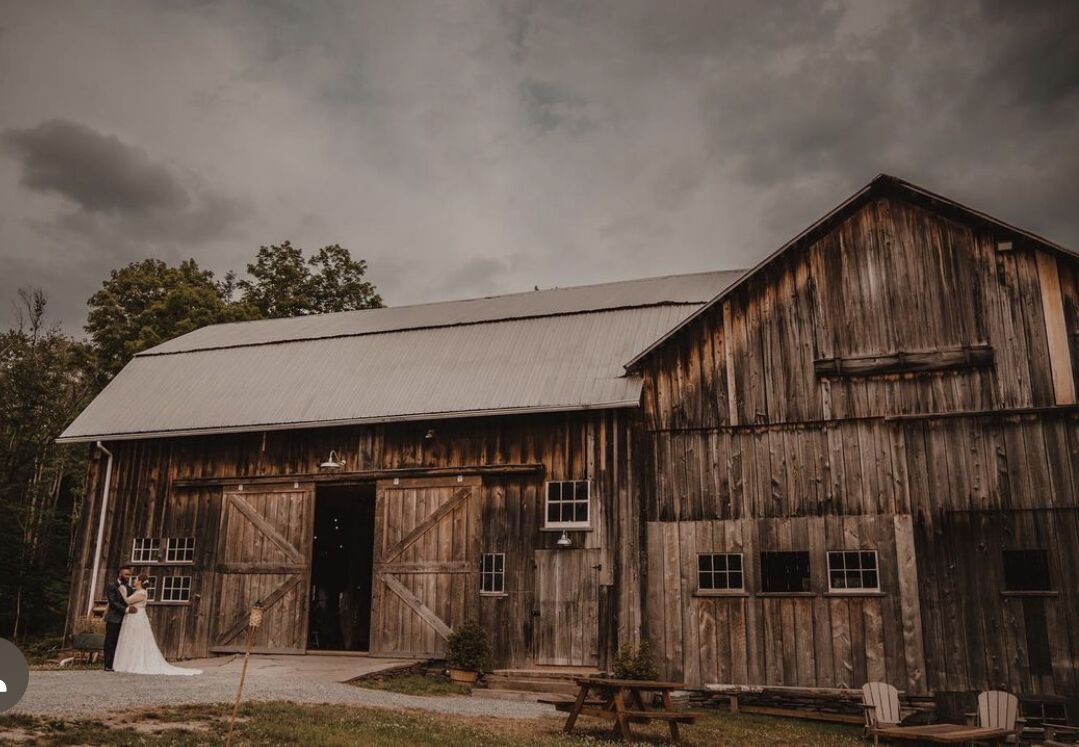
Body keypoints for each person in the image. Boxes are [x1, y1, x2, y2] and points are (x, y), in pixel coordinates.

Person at [113, 574, 201, 676]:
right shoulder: (138, 592)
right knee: (130, 639)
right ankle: (127, 662)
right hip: (132, 617)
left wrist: (122, 591)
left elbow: (128, 601)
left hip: (137, 618)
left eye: (136, 579)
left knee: (137, 639)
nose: (134, 580)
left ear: (140, 582)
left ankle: (135, 662)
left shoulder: (142, 593)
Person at [103, 566, 135, 671]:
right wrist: (126, 609)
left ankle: (118, 664)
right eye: (126, 574)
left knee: (121, 642)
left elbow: (131, 601)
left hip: (126, 620)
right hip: (113, 618)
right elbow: (112, 602)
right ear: (120, 574)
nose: (128, 577)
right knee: (110, 641)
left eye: (129, 575)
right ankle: (108, 665)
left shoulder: (129, 588)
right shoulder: (112, 586)